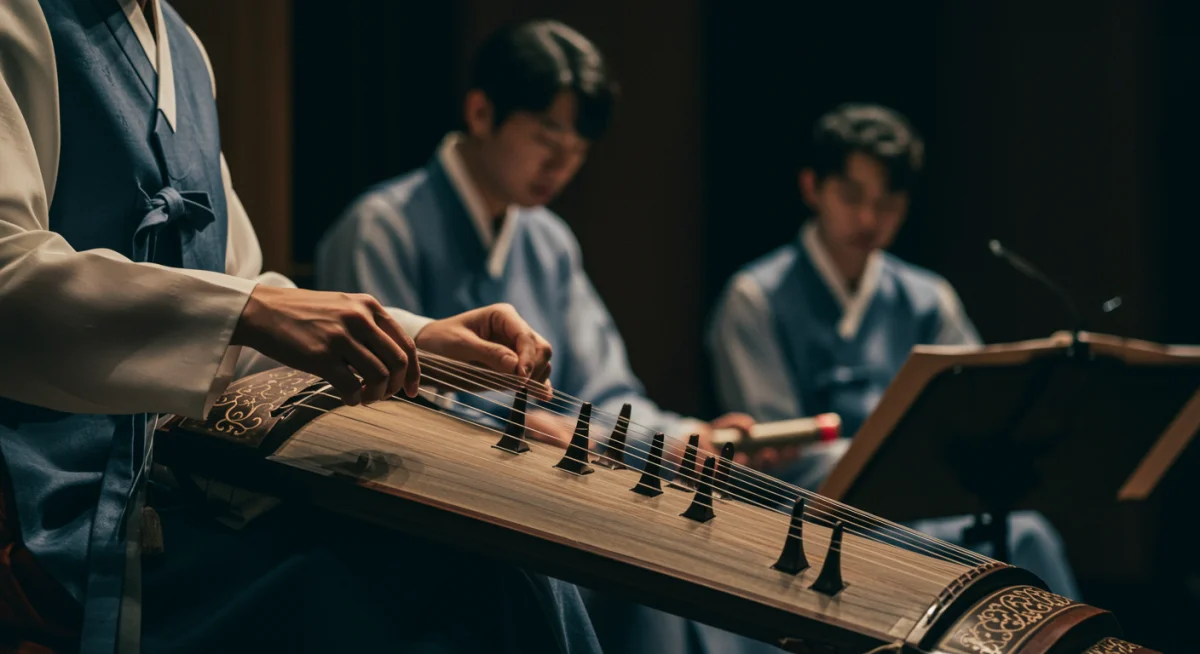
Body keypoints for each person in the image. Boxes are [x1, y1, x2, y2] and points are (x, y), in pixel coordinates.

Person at [0, 2, 597, 652]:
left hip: (179, 473)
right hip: (66, 497)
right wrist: (250, 312)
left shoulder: (182, 49)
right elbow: (14, 277)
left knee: (512, 564)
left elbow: (240, 310)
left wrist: (418, 339)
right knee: (466, 586)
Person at [316, 19, 783, 654]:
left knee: (688, 567)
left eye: (580, 147)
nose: (562, 164)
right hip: (440, 519)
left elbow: (605, 388)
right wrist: (515, 427)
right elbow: (380, 407)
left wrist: (676, 438)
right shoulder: (381, 228)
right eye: (546, 136)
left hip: (554, 498)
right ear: (481, 112)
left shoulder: (548, 241)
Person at [706, 103, 1081, 599]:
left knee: (1027, 534)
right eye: (852, 196)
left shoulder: (928, 299)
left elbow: (977, 417)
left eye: (888, 203)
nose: (868, 218)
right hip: (814, 522)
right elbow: (778, 453)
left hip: (923, 507)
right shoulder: (756, 297)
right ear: (812, 188)